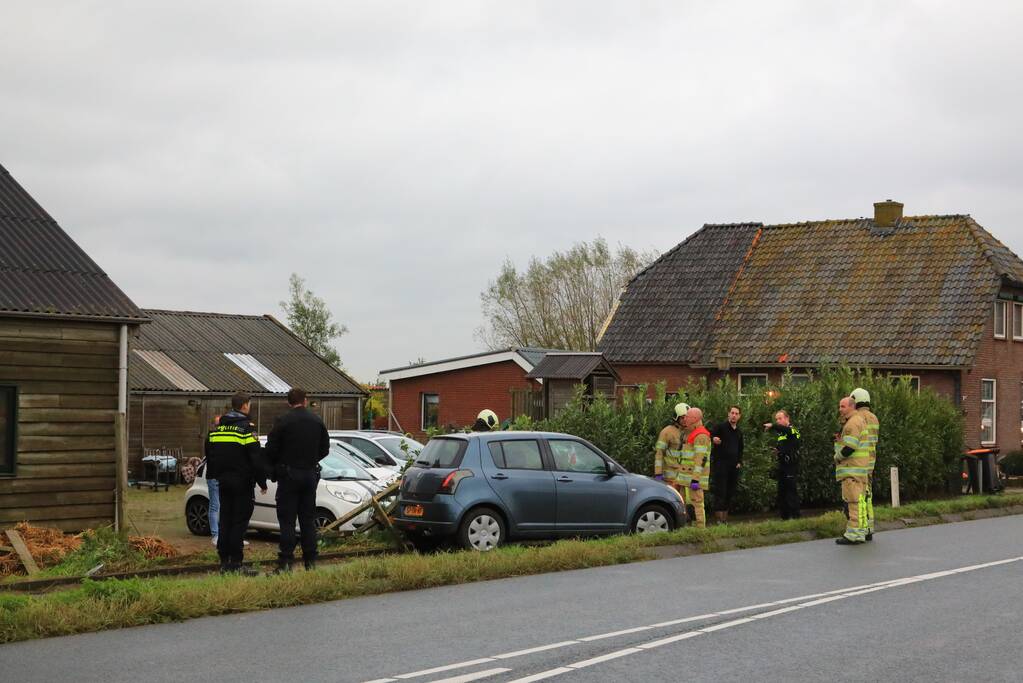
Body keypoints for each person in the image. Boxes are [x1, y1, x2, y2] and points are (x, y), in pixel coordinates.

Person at [264, 387, 331, 572]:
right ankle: (311, 561)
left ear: (288, 402)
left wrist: (278, 465)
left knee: (287, 520)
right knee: (307, 520)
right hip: (309, 475)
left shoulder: (282, 421)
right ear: (305, 400)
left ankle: (286, 562)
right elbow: (325, 449)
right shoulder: (317, 421)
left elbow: (271, 449)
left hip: (289, 475)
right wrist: (310, 460)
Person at [204, 392, 266, 574]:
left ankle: (224, 562)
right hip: (242, 483)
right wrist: (262, 482)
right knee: (239, 521)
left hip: (223, 482)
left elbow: (210, 453)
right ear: (245, 405)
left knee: (225, 520)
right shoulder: (247, 429)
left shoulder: (218, 429)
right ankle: (236, 563)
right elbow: (256, 458)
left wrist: (214, 475)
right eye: (249, 405)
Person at [835, 396, 870, 545]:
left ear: (852, 406)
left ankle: (852, 535)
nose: (840, 409)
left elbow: (850, 447)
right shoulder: (859, 420)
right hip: (860, 470)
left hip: (851, 471)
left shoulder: (852, 423)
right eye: (839, 406)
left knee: (853, 504)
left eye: (843, 406)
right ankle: (860, 533)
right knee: (860, 504)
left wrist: (837, 456)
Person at [852, 387, 879, 541]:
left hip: (858, 463)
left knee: (858, 497)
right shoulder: (874, 418)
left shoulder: (856, 418)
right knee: (868, 496)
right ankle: (869, 527)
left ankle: (860, 528)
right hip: (870, 462)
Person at [764, 409, 801, 520]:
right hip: (782, 464)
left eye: (780, 418)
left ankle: (795, 516)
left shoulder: (793, 430)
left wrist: (773, 425)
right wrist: (778, 451)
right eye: (776, 419)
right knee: (782, 491)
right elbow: (785, 446)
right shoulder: (782, 434)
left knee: (791, 491)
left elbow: (787, 432)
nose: (778, 421)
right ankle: (784, 517)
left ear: (787, 418)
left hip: (791, 465)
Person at [710, 405, 744, 523]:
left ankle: (725, 520)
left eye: (736, 413)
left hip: (734, 466)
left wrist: (739, 461)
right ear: (728, 414)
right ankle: (719, 520)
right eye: (732, 413)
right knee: (720, 491)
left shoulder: (739, 432)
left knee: (730, 492)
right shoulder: (720, 427)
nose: (734, 415)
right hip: (721, 465)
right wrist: (713, 439)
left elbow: (741, 448)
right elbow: (710, 435)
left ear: (739, 416)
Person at [680, 407, 712, 528]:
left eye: (687, 417)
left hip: (694, 479)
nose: (685, 419)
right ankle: (689, 527)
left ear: (694, 419)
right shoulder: (691, 433)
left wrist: (695, 479)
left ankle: (700, 529)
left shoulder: (701, 435)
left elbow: (700, 460)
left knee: (697, 504)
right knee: (687, 504)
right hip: (687, 478)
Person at [653, 402, 690, 492]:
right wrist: (658, 473)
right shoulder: (667, 432)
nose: (685, 420)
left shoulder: (690, 432)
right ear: (676, 418)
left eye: (687, 417)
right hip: (669, 479)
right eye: (682, 417)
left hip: (685, 479)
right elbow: (659, 453)